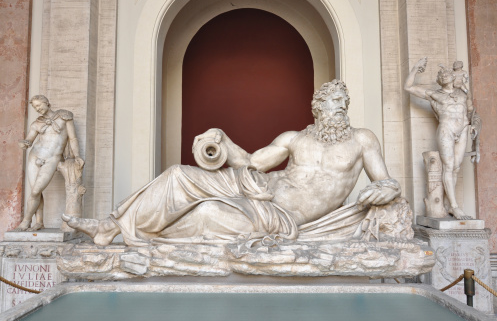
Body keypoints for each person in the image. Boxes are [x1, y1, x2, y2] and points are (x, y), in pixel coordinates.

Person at [64, 80, 401, 246]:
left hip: (279, 214)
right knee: (177, 175)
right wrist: (222, 139)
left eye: (343, 103)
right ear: (317, 108)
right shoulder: (294, 138)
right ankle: (108, 228)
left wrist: (382, 191)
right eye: (331, 103)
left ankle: (135, 236)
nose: (338, 109)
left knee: (207, 213)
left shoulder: (362, 139)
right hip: (257, 185)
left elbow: (387, 182)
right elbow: (252, 162)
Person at [404, 58, 476, 220]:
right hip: (446, 129)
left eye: (446, 74)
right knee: (448, 166)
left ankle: (448, 205)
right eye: (440, 75)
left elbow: (470, 110)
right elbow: (408, 87)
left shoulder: (462, 93)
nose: (443, 76)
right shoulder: (434, 94)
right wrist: (416, 68)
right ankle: (455, 206)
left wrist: (473, 124)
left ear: (452, 77)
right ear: (438, 80)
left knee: (456, 167)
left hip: (463, 129)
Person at [15, 95, 84, 231]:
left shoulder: (65, 117)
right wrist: (25, 143)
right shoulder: (36, 123)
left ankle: (26, 221)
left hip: (52, 158)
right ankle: (39, 222)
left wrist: (77, 155)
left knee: (35, 191)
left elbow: (73, 138)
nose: (37, 108)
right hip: (35, 156)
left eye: (39, 105)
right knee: (36, 190)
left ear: (47, 103)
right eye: (34, 107)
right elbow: (30, 139)